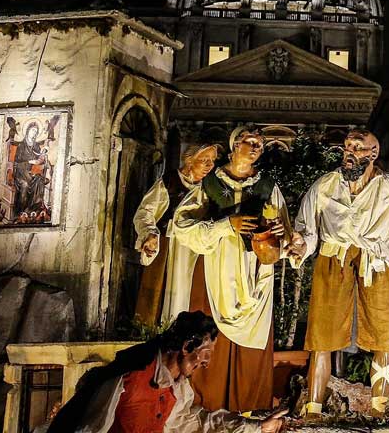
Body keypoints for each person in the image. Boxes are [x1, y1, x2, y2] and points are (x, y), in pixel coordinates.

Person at [287, 129, 389, 418]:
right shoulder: (325, 186)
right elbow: (306, 228)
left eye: (358, 148)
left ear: (373, 154)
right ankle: (313, 408)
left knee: (382, 335)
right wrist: (300, 246)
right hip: (333, 263)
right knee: (322, 337)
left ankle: (379, 408)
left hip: (377, 264)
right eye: (348, 146)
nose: (350, 152)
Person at [170, 129, 291, 412]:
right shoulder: (211, 183)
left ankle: (247, 409)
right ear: (234, 145)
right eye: (250, 142)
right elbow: (182, 225)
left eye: (259, 144)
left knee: (251, 349)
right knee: (209, 337)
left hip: (255, 270)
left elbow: (284, 229)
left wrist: (279, 233)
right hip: (216, 268)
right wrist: (226, 226)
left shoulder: (267, 186)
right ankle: (204, 408)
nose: (255, 148)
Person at [46, 311, 286, 433]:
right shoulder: (128, 378)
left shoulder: (177, 387)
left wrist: (255, 427)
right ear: (186, 347)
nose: (207, 363)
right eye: (206, 353)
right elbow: (88, 428)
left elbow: (197, 422)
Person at [132, 142, 220, 328]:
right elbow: (145, 211)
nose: (209, 165)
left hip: (197, 247)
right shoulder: (170, 182)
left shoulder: (210, 188)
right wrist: (149, 232)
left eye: (212, 161)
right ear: (190, 160)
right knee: (164, 294)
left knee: (193, 295)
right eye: (204, 160)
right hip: (171, 246)